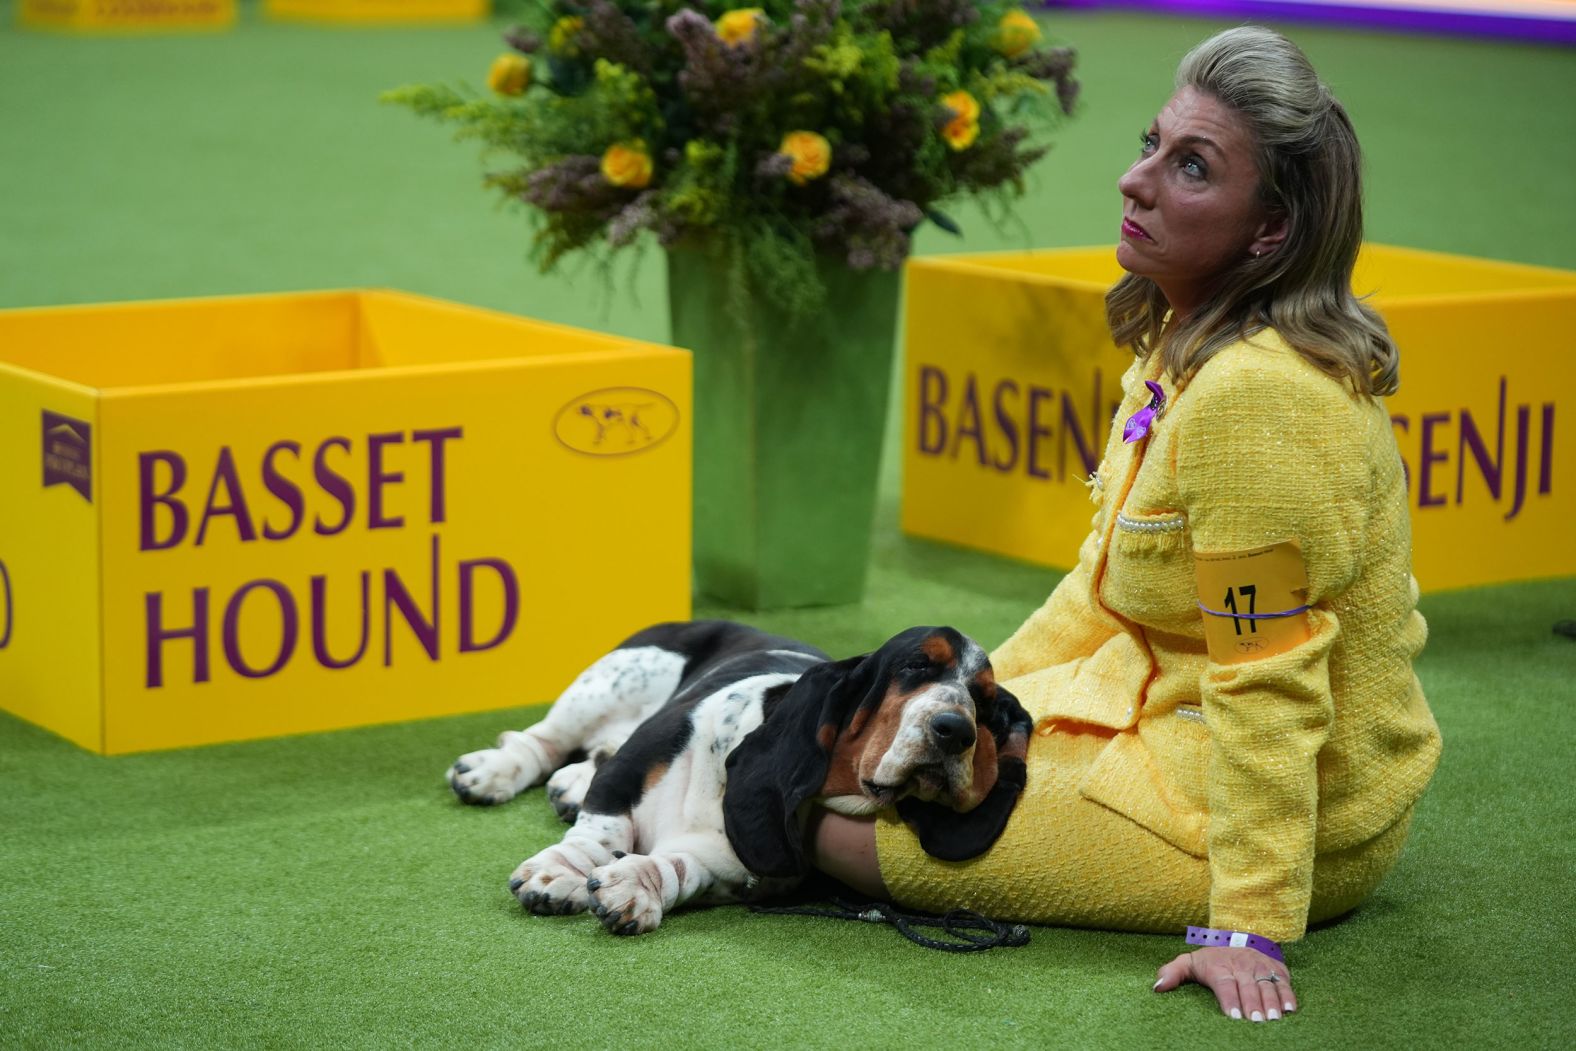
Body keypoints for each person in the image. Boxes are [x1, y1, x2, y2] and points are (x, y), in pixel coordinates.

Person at [809, 25, 1441, 1022]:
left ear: (1268, 231)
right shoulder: (1178, 342)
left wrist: (1250, 921)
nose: (1133, 180)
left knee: (836, 825)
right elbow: (1094, 583)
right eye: (1151, 144)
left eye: (1188, 167)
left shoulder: (1255, 399)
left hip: (1284, 819)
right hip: (1156, 712)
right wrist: (973, 696)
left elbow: (1263, 671)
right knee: (859, 750)